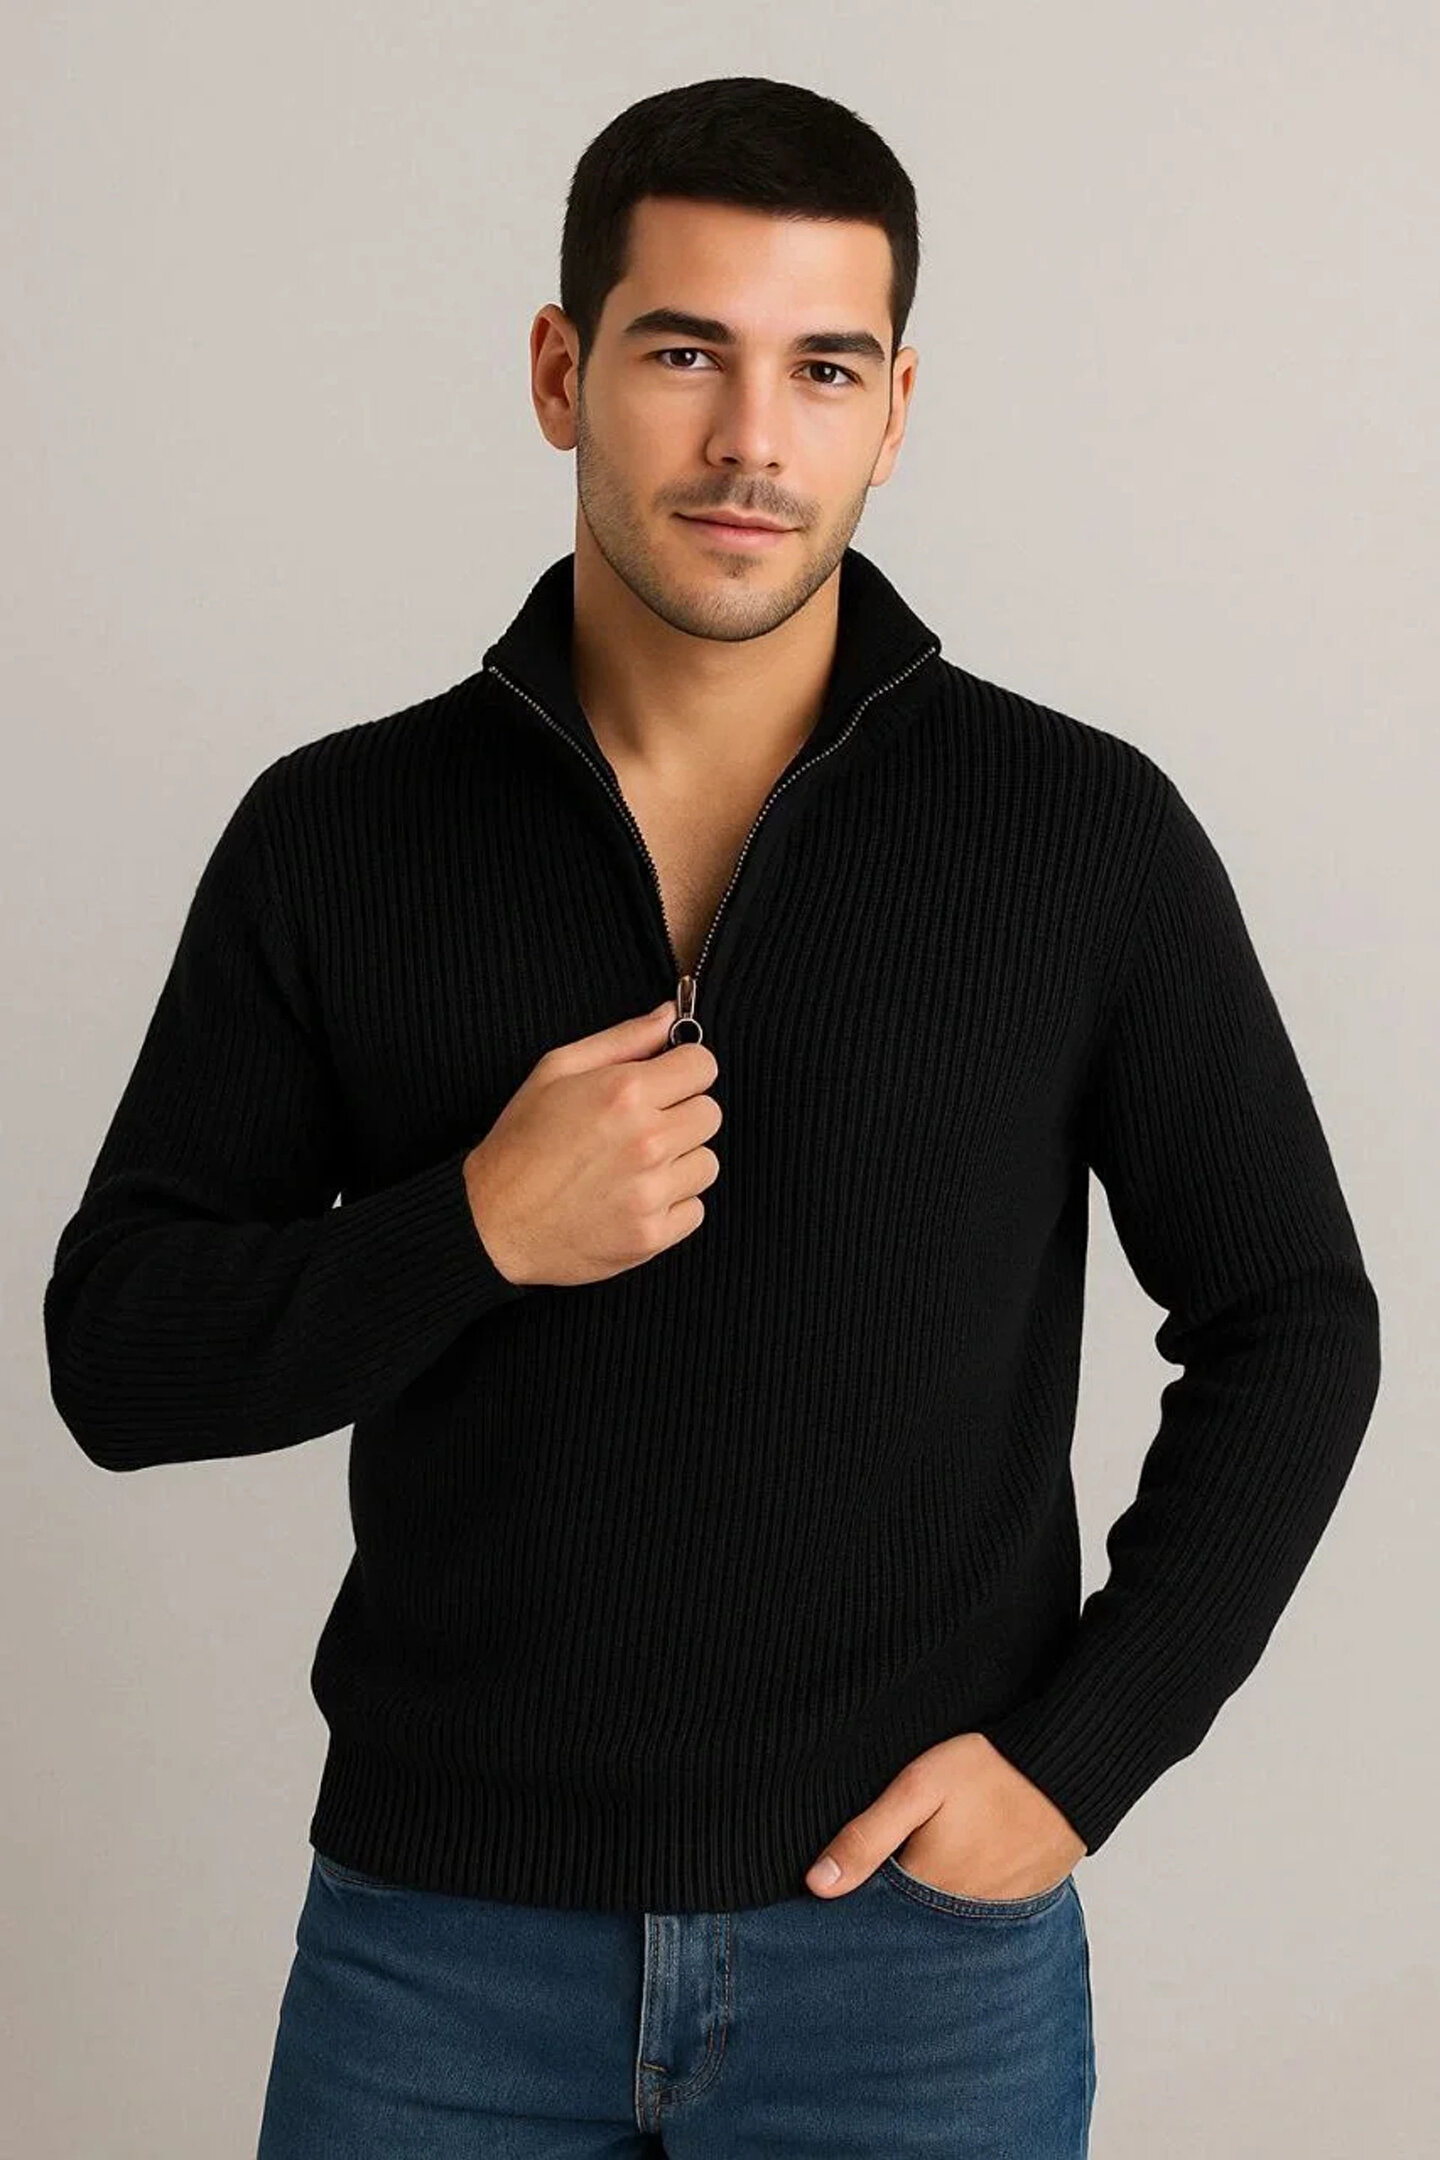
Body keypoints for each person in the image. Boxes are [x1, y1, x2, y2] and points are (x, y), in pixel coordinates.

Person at [43, 73, 1381, 2160]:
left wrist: (1080, 1761)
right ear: (560, 372)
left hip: (910, 1969)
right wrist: (475, 1229)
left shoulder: (1075, 835)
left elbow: (1294, 1317)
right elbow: (119, 1358)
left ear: (896, 408)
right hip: (440, 1956)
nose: (754, 439)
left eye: (822, 368)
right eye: (684, 355)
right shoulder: (341, 834)